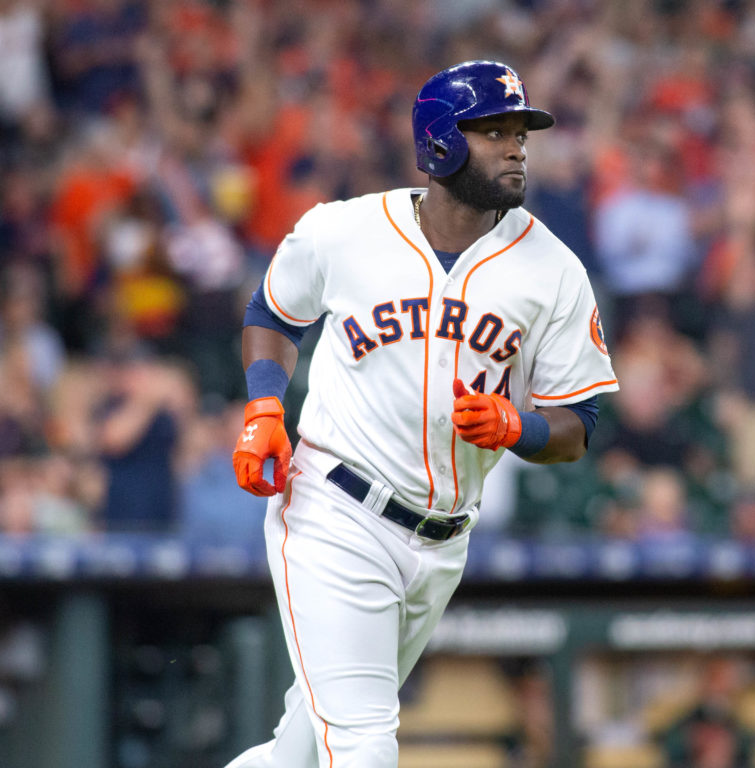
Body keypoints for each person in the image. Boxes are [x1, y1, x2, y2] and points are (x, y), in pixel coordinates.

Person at [226, 60, 618, 768]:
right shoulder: (345, 231)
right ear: (439, 140)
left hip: (442, 544)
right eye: (493, 130)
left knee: (303, 751)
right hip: (336, 507)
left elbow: (578, 426)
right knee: (363, 743)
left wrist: (516, 428)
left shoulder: (554, 269)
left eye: (520, 132)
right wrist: (263, 408)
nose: (515, 146)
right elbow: (272, 312)